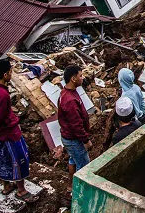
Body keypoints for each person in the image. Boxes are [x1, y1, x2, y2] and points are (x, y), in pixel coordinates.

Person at [0, 59, 38, 203]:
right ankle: (21, 190)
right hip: (8, 134)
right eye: (11, 72)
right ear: (5, 74)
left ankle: (6, 186)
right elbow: (0, 117)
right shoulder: (3, 94)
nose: (12, 74)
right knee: (19, 160)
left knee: (2, 160)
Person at [58, 65, 92, 194]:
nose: (82, 78)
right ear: (73, 79)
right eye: (80, 75)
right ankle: (79, 192)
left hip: (69, 137)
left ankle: (71, 186)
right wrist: (86, 140)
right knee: (84, 165)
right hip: (74, 139)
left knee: (73, 160)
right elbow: (76, 124)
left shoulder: (66, 92)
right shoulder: (70, 100)